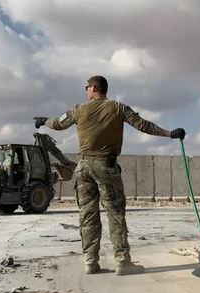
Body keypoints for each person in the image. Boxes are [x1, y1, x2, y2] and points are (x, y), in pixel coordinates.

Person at [34, 75, 186, 275]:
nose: (86, 91)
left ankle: (90, 261)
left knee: (88, 216)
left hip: (84, 168)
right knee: (115, 214)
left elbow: (58, 123)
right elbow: (143, 125)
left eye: (87, 87)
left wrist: (44, 121)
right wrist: (169, 134)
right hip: (106, 167)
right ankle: (122, 261)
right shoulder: (118, 108)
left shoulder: (78, 110)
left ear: (94, 88)